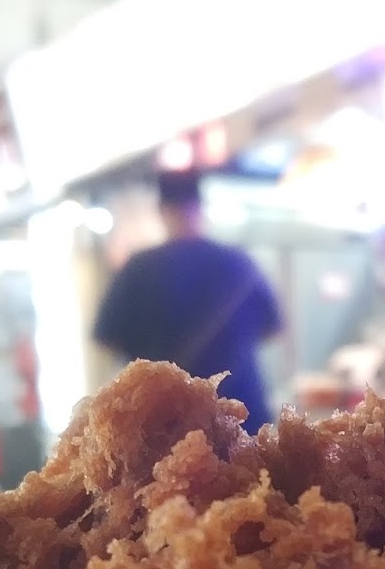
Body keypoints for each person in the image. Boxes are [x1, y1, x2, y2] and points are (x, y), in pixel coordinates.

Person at [92, 170, 282, 433]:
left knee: (171, 474)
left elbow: (107, 339)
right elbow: (272, 328)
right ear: (200, 207)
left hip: (165, 426)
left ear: (161, 210)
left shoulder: (137, 270)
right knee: (255, 474)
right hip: (242, 418)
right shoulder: (239, 264)